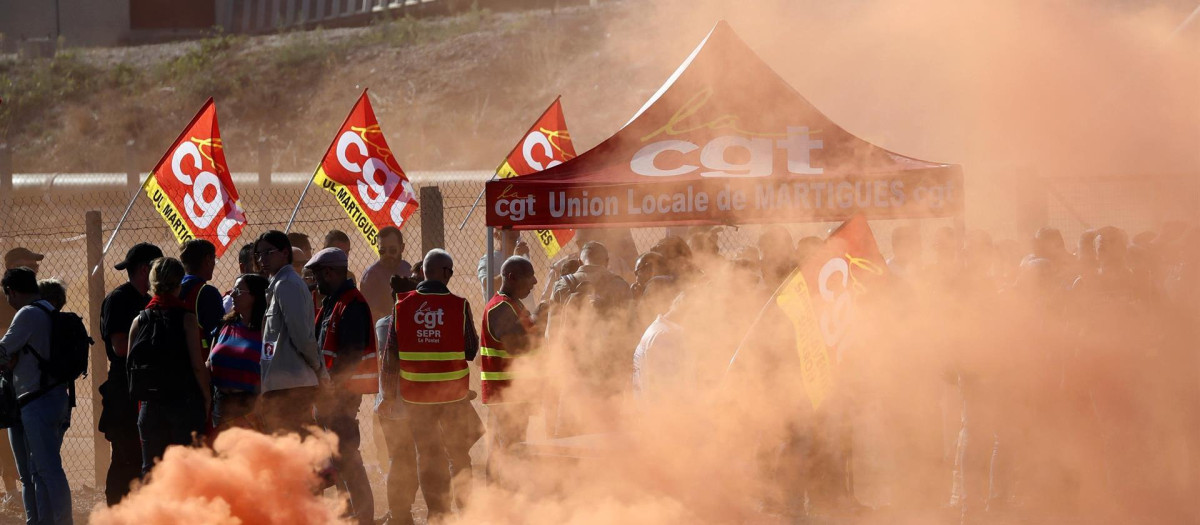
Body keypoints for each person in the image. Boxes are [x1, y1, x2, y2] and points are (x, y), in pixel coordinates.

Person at [391, 249, 482, 520]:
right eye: (451, 272)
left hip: (416, 396)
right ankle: (467, 511)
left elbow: (391, 353)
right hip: (453, 395)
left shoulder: (400, 305)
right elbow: (469, 349)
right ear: (444, 272)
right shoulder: (459, 305)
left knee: (428, 454)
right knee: (458, 452)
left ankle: (437, 514)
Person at [307, 248, 376, 525]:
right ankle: (351, 514)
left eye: (316, 275)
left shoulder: (351, 303)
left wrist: (332, 392)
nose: (314, 281)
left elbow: (350, 354)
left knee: (348, 458)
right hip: (333, 395)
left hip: (342, 396)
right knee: (340, 458)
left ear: (329, 272)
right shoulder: (334, 302)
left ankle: (363, 517)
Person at [0, 267, 72, 524]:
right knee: (39, 471)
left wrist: (9, 360)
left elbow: (2, 351)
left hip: (36, 399)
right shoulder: (47, 311)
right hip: (54, 397)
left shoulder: (27, 314)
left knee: (48, 471)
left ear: (12, 292)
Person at [127, 257, 210, 474]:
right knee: (189, 470)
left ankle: (154, 508)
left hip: (150, 405)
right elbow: (197, 366)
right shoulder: (187, 319)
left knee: (151, 471)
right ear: (179, 282)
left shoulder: (139, 320)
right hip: (184, 403)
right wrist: (207, 397)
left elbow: (130, 365)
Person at [98, 242, 162, 505]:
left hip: (145, 389)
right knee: (125, 459)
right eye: (156, 269)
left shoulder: (149, 301)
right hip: (124, 390)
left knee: (143, 460)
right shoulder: (119, 299)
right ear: (145, 269)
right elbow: (120, 347)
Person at [254, 231, 327, 434]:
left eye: (268, 252)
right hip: (282, 385)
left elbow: (302, 336)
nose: (262, 259)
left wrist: (318, 368)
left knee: (292, 447)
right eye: (259, 254)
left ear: (285, 252)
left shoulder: (287, 284)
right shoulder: (278, 283)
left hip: (292, 386)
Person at [481, 256, 540, 474]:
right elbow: (518, 348)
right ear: (512, 277)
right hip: (505, 395)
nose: (534, 282)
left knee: (509, 448)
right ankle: (501, 501)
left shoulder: (513, 305)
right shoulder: (501, 308)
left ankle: (506, 500)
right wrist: (541, 323)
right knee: (506, 451)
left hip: (513, 394)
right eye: (529, 277)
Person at [375, 276, 420, 525]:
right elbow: (390, 365)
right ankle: (400, 514)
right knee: (403, 459)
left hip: (394, 403)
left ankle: (401, 512)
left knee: (402, 459)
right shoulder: (393, 323)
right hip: (398, 404)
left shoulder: (384, 323)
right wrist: (389, 398)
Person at [0, 248, 41, 507]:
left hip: (31, 376)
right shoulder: (5, 299)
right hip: (9, 376)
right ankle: (12, 490)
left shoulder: (35, 298)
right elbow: (5, 340)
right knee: (7, 434)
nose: (36, 270)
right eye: (30, 266)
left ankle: (27, 489)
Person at [207, 274, 268, 439]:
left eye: (238, 291)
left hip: (250, 404)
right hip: (221, 402)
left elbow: (271, 369)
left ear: (255, 296)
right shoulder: (225, 325)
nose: (232, 295)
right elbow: (209, 361)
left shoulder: (267, 329)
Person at [550, 241, 631, 309]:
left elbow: (552, 325)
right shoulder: (620, 285)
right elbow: (633, 323)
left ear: (580, 262)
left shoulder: (561, 285)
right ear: (607, 262)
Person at [179, 239, 225, 350]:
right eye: (214, 259)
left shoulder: (174, 288)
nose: (214, 263)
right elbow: (219, 332)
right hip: (200, 358)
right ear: (208, 259)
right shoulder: (208, 292)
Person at [361, 226, 412, 322]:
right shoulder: (371, 276)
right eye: (382, 251)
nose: (387, 255)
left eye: (392, 250)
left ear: (402, 248)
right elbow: (370, 313)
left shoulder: (407, 268)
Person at [477, 229, 529, 302]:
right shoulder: (489, 259)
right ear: (496, 235)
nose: (514, 233)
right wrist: (514, 261)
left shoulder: (523, 255)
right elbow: (489, 286)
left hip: (525, 311)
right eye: (509, 230)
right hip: (501, 310)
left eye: (516, 229)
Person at [222, 242, 258, 313]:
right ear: (243, 268)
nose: (261, 264)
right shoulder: (230, 302)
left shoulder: (272, 289)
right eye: (255, 262)